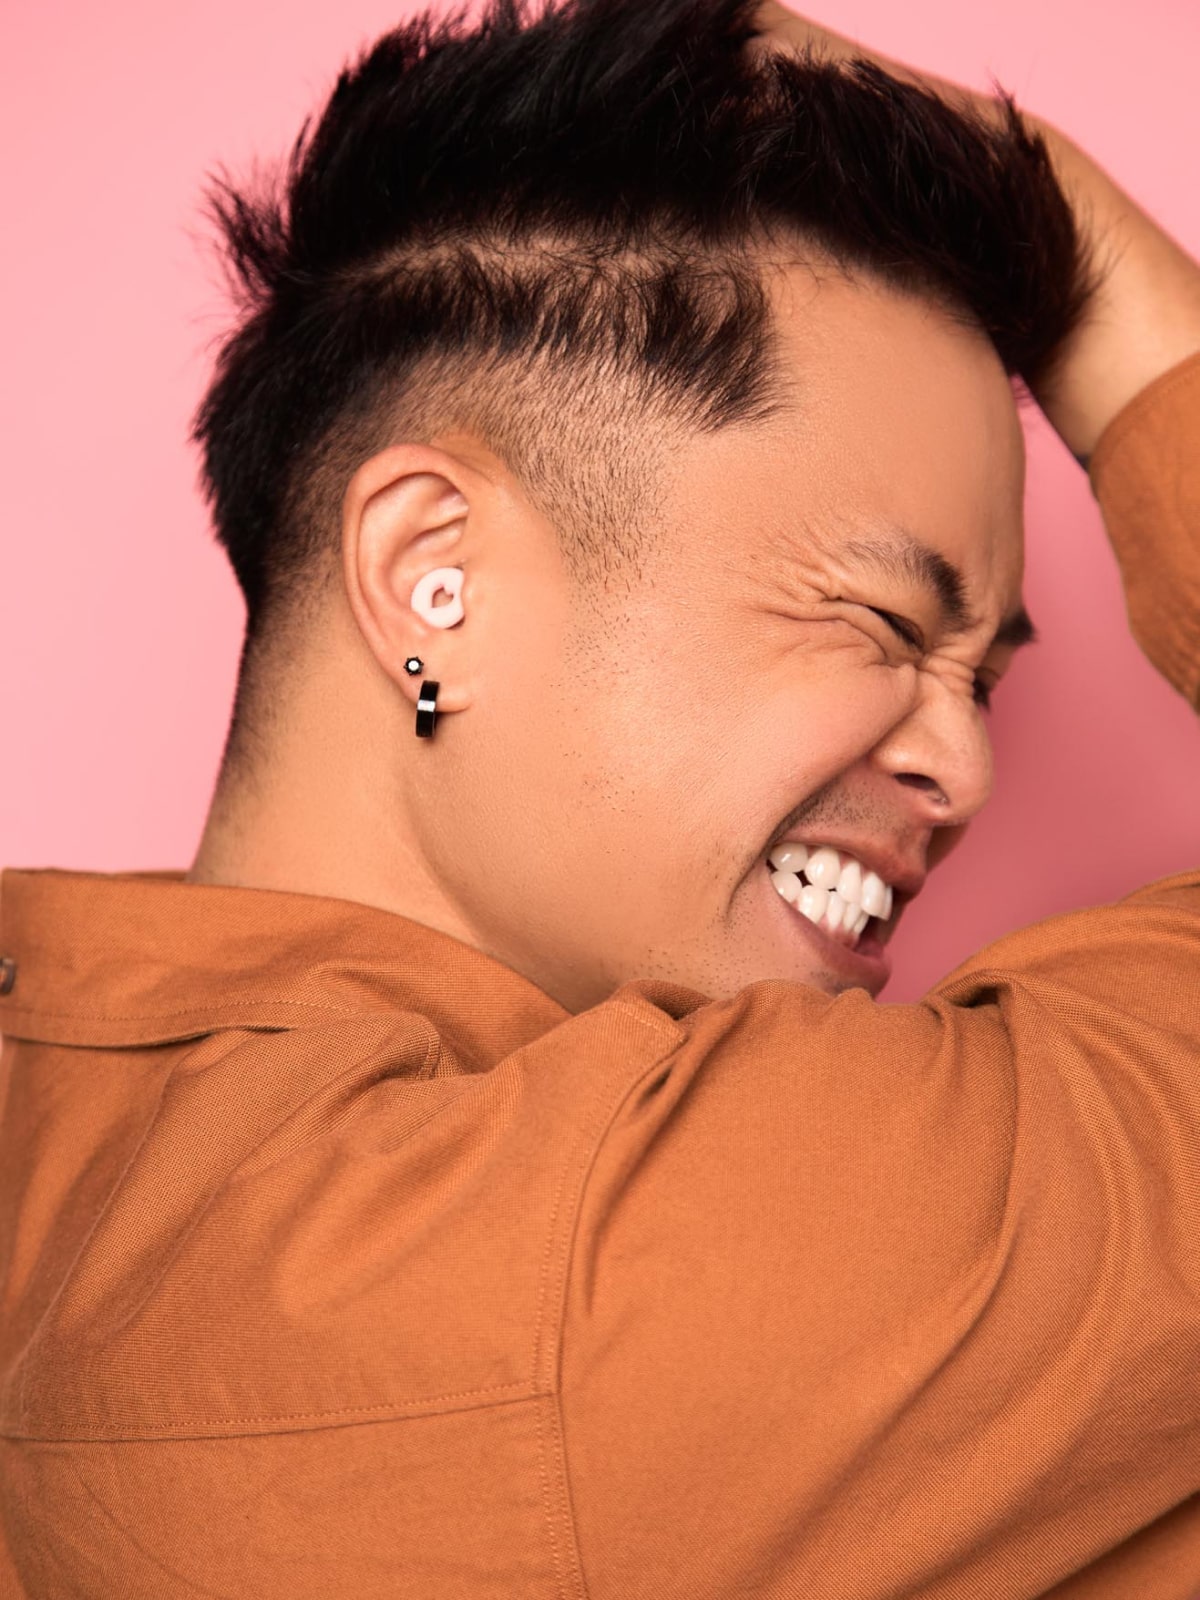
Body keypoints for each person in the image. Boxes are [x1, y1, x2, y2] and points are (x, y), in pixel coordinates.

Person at [1, 0, 1197, 1593]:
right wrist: (1108, 290)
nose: (967, 769)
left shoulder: (66, 1109)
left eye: (978, 682)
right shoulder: (587, 1273)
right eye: (883, 624)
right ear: (436, 583)